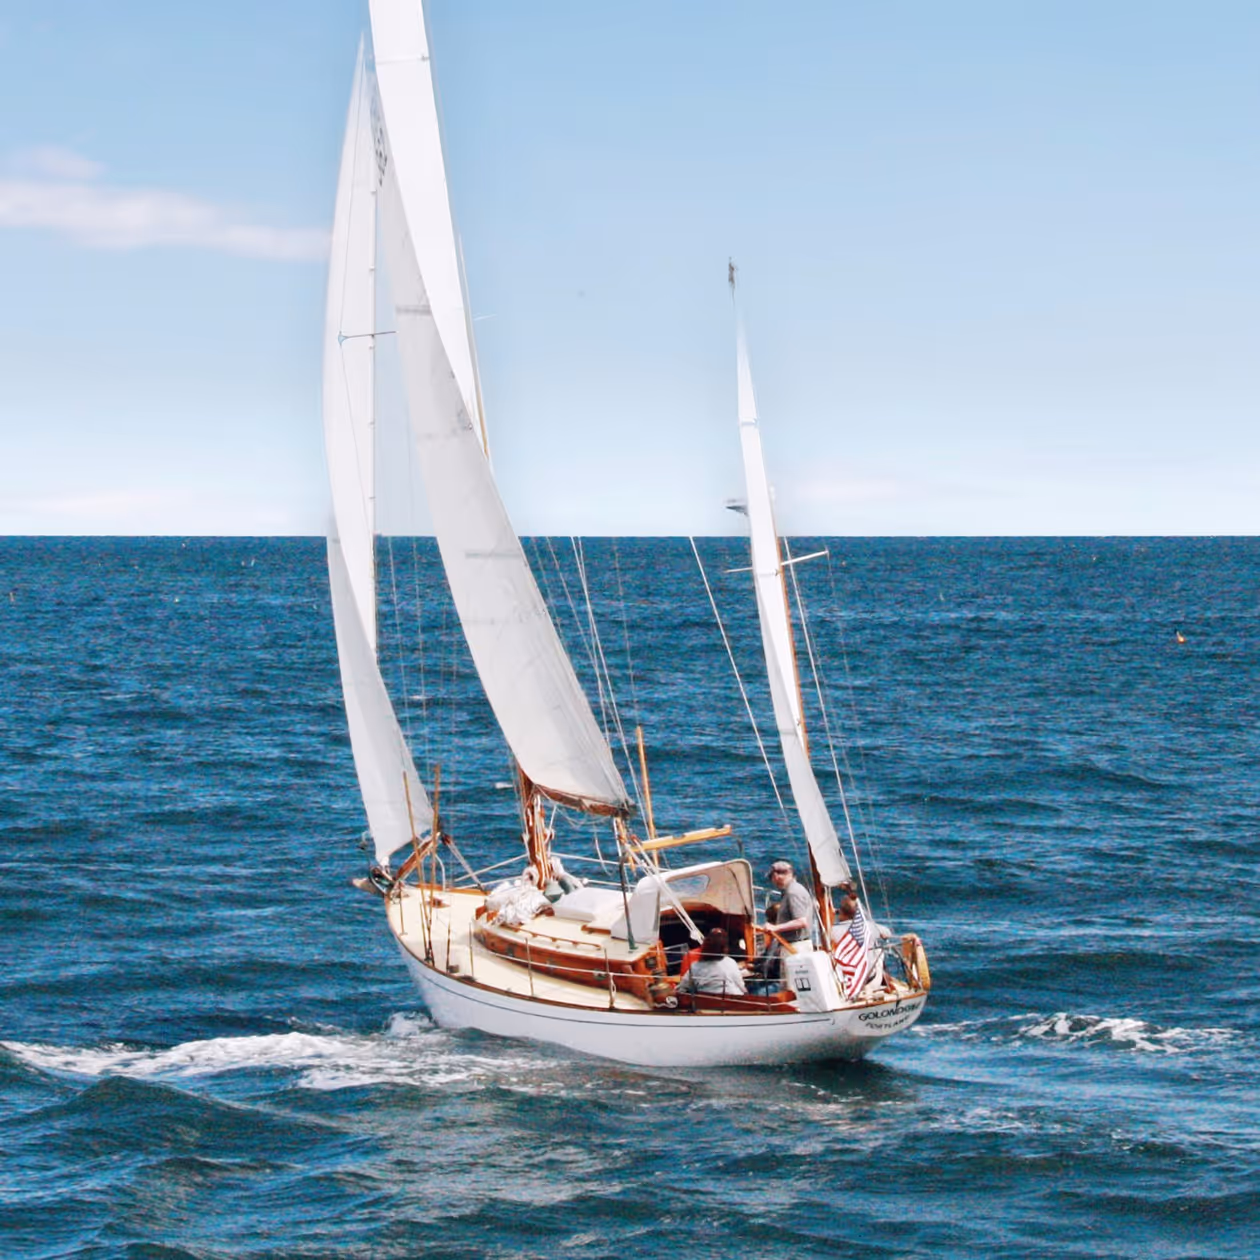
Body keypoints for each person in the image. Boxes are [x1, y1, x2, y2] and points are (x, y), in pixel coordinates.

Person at [675, 927, 747, 997]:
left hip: (707, 1002)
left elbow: (682, 988)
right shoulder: (731, 962)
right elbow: (741, 985)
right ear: (725, 948)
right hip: (734, 1000)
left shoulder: (695, 967)